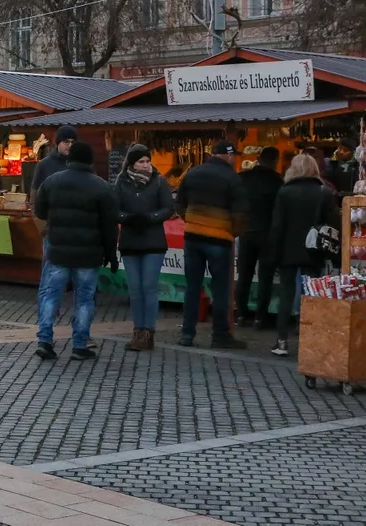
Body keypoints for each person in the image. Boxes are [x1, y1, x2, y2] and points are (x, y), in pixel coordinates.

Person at [33, 141, 118, 361]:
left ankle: (44, 341)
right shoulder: (101, 187)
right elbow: (110, 225)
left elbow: (40, 211)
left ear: (70, 160)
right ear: (90, 161)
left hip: (58, 251)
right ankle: (80, 345)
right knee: (84, 299)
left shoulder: (51, 182)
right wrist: (110, 253)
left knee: (51, 296)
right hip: (88, 254)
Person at [176, 140, 249, 350]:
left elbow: (180, 203)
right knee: (221, 289)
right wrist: (233, 232)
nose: (234, 158)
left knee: (192, 288)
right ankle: (220, 336)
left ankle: (187, 334)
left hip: (193, 237)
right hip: (219, 239)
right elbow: (241, 213)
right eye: (233, 155)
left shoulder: (193, 173)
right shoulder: (233, 178)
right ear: (226, 156)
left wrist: (191, 221)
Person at [263, 152, 337, 356]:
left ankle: (282, 341)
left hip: (288, 249)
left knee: (285, 295)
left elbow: (277, 226)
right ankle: (309, 340)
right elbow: (334, 224)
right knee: (311, 294)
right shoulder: (324, 192)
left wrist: (273, 254)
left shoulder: (285, 192)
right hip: (314, 249)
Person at [113, 144, 173, 351]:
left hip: (153, 241)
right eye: (141, 161)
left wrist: (151, 217)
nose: (146, 165)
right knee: (135, 289)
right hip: (130, 240)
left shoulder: (159, 181)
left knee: (149, 286)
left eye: (148, 161)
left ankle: (148, 332)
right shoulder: (121, 182)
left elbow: (168, 208)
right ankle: (137, 330)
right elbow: (114, 208)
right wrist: (127, 218)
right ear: (132, 163)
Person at [234, 146, 284, 328]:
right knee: (265, 278)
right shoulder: (278, 181)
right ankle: (259, 318)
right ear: (275, 161)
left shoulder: (243, 178)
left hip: (246, 232)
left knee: (244, 276)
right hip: (268, 234)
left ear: (258, 158)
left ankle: (240, 314)